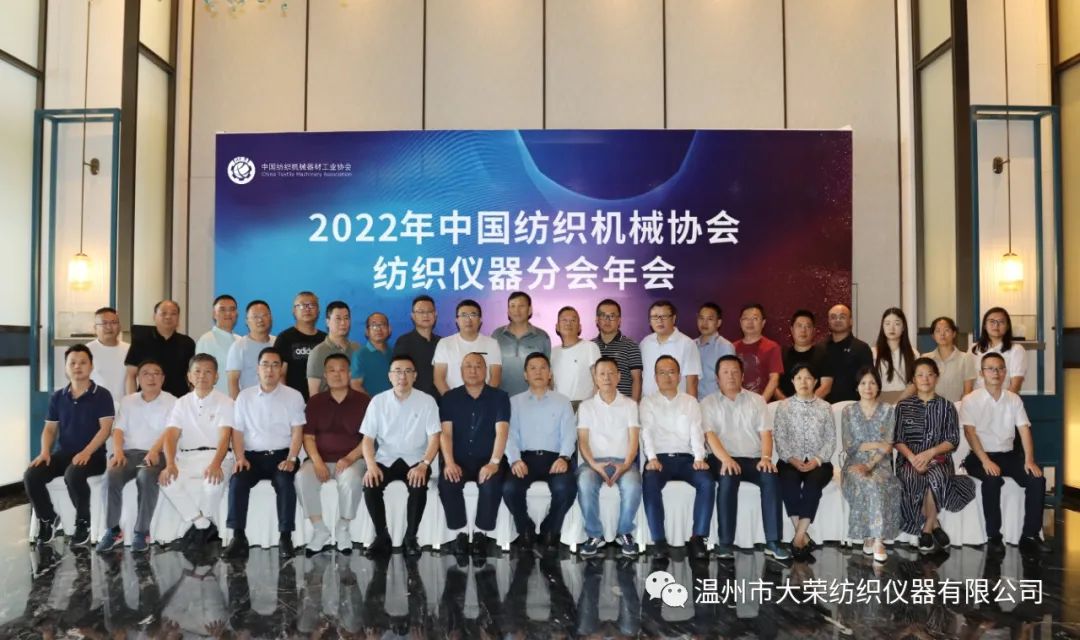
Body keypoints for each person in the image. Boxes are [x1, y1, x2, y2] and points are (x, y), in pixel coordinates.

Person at [960, 352, 1049, 556]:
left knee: (1037, 479)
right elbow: (969, 433)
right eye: (991, 369)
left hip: (1008, 455)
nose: (996, 373)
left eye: (1000, 369)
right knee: (992, 479)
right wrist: (985, 461)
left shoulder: (1013, 399)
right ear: (981, 373)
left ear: (1005, 372)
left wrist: (1029, 460)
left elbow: (1024, 429)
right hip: (979, 456)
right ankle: (994, 537)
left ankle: (1029, 536)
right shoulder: (971, 399)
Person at [702, 355, 789, 561]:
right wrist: (726, 459)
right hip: (721, 457)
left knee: (770, 477)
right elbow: (709, 435)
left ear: (742, 376)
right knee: (728, 477)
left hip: (753, 458)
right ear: (717, 378)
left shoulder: (757, 400)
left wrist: (766, 458)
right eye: (725, 372)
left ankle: (773, 541)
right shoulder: (707, 403)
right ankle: (725, 543)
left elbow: (765, 433)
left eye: (735, 372)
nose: (730, 376)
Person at [25, 344, 114, 545]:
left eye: (83, 362)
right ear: (66, 367)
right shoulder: (58, 396)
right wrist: (45, 452)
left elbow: (105, 429)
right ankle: (47, 518)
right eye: (72, 363)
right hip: (64, 454)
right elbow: (50, 429)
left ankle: (83, 521)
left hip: (94, 456)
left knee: (73, 474)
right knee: (32, 475)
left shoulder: (102, 395)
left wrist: (86, 452)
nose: (77, 366)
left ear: (91, 366)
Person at [226, 347, 306, 558]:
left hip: (282, 455)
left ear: (281, 369)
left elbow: (297, 432)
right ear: (257, 369)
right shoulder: (244, 397)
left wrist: (291, 458)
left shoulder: (294, 396)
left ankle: (285, 537)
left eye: (275, 365)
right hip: (252, 457)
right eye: (265, 365)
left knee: (285, 482)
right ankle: (238, 537)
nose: (270, 370)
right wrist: (240, 457)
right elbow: (237, 432)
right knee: (237, 481)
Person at [360, 354, 441, 557]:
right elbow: (367, 439)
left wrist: (424, 464)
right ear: (389, 376)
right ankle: (381, 536)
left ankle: (411, 537)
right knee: (370, 484)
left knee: (418, 484)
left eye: (407, 371)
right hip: (385, 458)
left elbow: (435, 438)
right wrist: (371, 466)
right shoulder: (378, 401)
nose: (402, 376)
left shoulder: (427, 401)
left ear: (415, 376)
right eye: (397, 371)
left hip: (416, 460)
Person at [894, 357, 975, 553]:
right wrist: (913, 458)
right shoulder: (903, 406)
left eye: (930, 374)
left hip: (939, 460)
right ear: (913, 379)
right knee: (912, 478)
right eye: (920, 375)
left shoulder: (947, 406)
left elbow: (953, 440)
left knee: (936, 477)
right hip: (909, 460)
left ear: (936, 378)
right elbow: (897, 438)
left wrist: (930, 453)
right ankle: (935, 524)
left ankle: (927, 529)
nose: (925, 379)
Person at [96, 360, 177, 553]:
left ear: (163, 379)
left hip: (157, 453)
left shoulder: (173, 401)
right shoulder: (128, 401)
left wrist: (154, 450)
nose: (151, 377)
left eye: (156, 373)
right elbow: (118, 430)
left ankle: (141, 532)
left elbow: (169, 432)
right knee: (111, 476)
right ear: (138, 378)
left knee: (146, 476)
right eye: (146, 373)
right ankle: (113, 530)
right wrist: (117, 452)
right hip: (129, 453)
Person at [639, 355, 713, 560]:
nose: (667, 376)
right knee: (650, 482)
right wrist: (651, 458)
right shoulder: (648, 402)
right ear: (655, 377)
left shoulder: (690, 401)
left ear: (679, 376)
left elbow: (696, 431)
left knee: (707, 482)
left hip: (686, 459)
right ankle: (659, 540)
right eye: (662, 373)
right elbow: (647, 432)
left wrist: (699, 458)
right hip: (659, 459)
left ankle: (698, 538)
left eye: (671, 372)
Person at [297, 353, 371, 555]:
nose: (337, 374)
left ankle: (343, 527)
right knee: (302, 477)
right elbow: (308, 437)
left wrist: (350, 458)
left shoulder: (364, 401)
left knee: (351, 479)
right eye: (332, 370)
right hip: (319, 459)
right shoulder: (315, 402)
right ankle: (319, 529)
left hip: (352, 460)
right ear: (325, 375)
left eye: (342, 370)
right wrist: (317, 462)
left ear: (349, 373)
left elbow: (368, 438)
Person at [437, 353, 510, 556]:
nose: (473, 370)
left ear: (486, 371)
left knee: (491, 484)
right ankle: (460, 533)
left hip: (488, 458)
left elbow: (502, 431)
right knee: (447, 482)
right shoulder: (449, 398)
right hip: (458, 458)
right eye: (468, 366)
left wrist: (494, 462)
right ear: (461, 371)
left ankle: (481, 534)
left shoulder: (500, 397)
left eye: (478, 366)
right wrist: (449, 462)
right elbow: (445, 433)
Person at [503, 352, 577, 550]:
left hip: (555, 458)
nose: (538, 372)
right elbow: (509, 435)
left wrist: (564, 457)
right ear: (525, 375)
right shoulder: (514, 402)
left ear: (550, 374)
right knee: (510, 489)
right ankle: (525, 528)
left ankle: (550, 528)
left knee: (566, 489)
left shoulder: (562, 401)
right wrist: (515, 460)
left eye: (543, 368)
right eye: (532, 368)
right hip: (524, 459)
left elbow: (569, 433)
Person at [575, 357, 641, 557]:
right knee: (585, 482)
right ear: (595, 378)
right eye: (602, 374)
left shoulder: (630, 405)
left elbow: (634, 440)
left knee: (633, 485)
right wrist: (594, 465)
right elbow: (583, 441)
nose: (607, 377)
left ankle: (624, 532)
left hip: (623, 462)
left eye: (611, 373)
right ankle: (595, 534)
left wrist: (626, 464)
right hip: (593, 463)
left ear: (619, 376)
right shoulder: (586, 406)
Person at [773, 363, 835, 557]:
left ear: (815, 381)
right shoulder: (783, 407)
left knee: (812, 485)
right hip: (790, 461)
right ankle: (803, 538)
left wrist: (816, 460)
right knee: (788, 483)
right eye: (799, 378)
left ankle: (798, 538)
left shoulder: (825, 407)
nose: (803, 382)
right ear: (792, 381)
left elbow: (831, 440)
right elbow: (780, 438)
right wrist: (792, 459)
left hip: (819, 462)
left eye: (808, 378)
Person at [841, 367, 902, 563]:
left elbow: (889, 443)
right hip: (854, 463)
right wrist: (876, 444)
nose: (868, 387)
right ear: (857, 387)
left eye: (872, 383)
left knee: (878, 482)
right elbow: (849, 445)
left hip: (881, 464)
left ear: (878, 386)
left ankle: (875, 540)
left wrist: (871, 462)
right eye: (863, 383)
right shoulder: (848, 411)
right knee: (867, 482)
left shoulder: (888, 410)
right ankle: (873, 538)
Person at [125, 300, 196, 398]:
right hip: (147, 400)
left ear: (178, 318)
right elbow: (131, 375)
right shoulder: (141, 341)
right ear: (154, 316)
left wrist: (192, 401)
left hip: (178, 400)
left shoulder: (188, 343)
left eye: (173, 313)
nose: (168, 317)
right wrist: (132, 401)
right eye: (164, 313)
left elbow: (192, 377)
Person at [433, 299, 503, 393]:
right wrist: (451, 399)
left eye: (473, 315)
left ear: (480, 320)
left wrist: (485, 399)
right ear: (457, 320)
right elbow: (439, 379)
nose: (468, 319)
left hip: (484, 400)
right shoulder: (444, 343)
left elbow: (495, 378)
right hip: (453, 399)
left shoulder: (492, 344)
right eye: (464, 315)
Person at [492, 291, 551, 396]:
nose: (516, 310)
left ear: (530, 310)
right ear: (508, 311)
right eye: (512, 306)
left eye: (521, 306)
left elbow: (548, 372)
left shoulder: (542, 337)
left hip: (533, 399)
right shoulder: (497, 335)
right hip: (501, 399)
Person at [640, 300, 702, 398]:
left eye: (664, 316)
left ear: (673, 318)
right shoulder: (645, 343)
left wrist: (691, 406)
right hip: (648, 404)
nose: (659, 321)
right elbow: (641, 377)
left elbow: (692, 382)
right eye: (655, 317)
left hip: (677, 405)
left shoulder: (687, 344)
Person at [273, 291, 326, 401]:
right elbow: (280, 374)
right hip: (293, 403)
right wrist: (288, 401)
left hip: (322, 402)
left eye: (311, 305)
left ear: (318, 310)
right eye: (301, 305)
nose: (307, 309)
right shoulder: (285, 338)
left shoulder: (326, 339)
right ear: (294, 311)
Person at [550, 306, 601, 410]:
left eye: (573, 320)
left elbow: (599, 382)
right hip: (559, 408)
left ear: (579, 327)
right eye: (564, 320)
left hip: (584, 408)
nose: (568, 323)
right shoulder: (553, 352)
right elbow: (551, 385)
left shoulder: (590, 347)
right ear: (557, 327)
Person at [592, 299, 643, 401]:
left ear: (619, 320)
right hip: (597, 406)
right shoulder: (591, 346)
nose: (607, 320)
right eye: (603, 316)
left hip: (624, 405)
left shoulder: (631, 345)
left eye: (612, 316)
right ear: (597, 320)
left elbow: (637, 379)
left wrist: (633, 406)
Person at [307, 300, 361, 397]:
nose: (343, 323)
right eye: (338, 319)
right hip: (327, 405)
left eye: (346, 318)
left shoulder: (357, 349)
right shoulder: (318, 352)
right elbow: (313, 393)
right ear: (327, 322)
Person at [776, 309, 833, 400]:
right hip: (786, 405)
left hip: (815, 405)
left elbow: (826, 387)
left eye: (808, 326)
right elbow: (774, 385)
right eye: (799, 326)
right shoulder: (781, 354)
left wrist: (807, 403)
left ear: (814, 331)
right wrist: (787, 403)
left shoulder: (824, 354)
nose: (803, 330)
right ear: (792, 330)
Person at [822, 304, 874, 403]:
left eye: (842, 317)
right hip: (824, 407)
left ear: (850, 321)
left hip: (854, 406)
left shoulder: (861, 348)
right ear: (828, 321)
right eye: (833, 317)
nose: (837, 320)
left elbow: (869, 381)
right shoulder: (820, 348)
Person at [393, 295, 442, 398]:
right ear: (413, 316)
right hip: (413, 400)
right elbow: (399, 375)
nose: (425, 315)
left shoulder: (442, 343)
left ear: (435, 314)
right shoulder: (404, 342)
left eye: (429, 311)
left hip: (440, 402)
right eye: (420, 312)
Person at [970, 307, 1027, 393]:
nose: (996, 325)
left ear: (1007, 326)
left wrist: (1003, 401)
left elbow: (1015, 386)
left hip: (1004, 398)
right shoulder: (974, 349)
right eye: (992, 321)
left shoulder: (1016, 350)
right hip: (976, 399)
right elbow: (968, 381)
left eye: (1001, 322)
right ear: (984, 325)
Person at [226, 300, 276, 398]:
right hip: (249, 404)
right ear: (247, 321)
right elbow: (232, 383)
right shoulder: (238, 346)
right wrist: (238, 405)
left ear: (271, 318)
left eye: (264, 315)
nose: (260, 320)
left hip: (276, 402)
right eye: (255, 316)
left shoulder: (277, 343)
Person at [734, 303, 783, 401]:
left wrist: (760, 403)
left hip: (763, 403)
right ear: (740, 322)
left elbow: (774, 380)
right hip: (737, 403)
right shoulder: (731, 347)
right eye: (746, 318)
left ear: (763, 322)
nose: (750, 322)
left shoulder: (772, 347)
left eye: (755, 318)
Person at [922, 316, 976, 403]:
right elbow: (921, 389)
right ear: (933, 336)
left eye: (946, 330)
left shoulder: (966, 358)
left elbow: (968, 391)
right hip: (930, 408)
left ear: (954, 333)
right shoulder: (925, 359)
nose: (942, 334)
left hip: (957, 408)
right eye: (938, 331)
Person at [86, 306, 130, 411]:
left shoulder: (129, 349)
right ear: (95, 328)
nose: (109, 327)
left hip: (124, 409)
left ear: (119, 326)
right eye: (104, 323)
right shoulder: (86, 351)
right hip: (95, 409)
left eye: (113, 323)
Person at [195, 295, 240, 395]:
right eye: (222, 309)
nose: (228, 313)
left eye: (232, 309)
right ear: (214, 314)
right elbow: (200, 375)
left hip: (240, 400)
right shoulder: (206, 340)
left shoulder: (240, 341)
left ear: (236, 314)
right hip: (216, 400)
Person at [871, 307, 916, 403]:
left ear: (903, 327)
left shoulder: (913, 353)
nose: (891, 328)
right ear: (882, 327)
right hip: (879, 401)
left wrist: (898, 403)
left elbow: (916, 381)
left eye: (897, 324)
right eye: (887, 324)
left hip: (906, 400)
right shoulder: (873, 353)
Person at [695, 302, 735, 400]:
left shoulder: (725, 346)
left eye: (710, 319)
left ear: (718, 323)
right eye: (701, 318)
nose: (704, 323)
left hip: (716, 403)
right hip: (693, 403)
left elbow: (729, 380)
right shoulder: (691, 345)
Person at [350, 312, 394, 396]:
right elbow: (355, 385)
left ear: (389, 329)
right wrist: (374, 402)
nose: (378, 329)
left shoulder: (394, 352)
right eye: (374, 325)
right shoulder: (360, 355)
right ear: (367, 331)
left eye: (382, 325)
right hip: (370, 403)